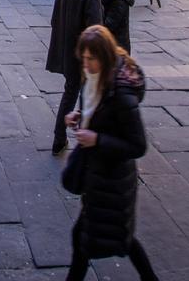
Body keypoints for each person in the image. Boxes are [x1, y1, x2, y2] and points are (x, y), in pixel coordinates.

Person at [63, 25, 154, 281]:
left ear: (104, 56)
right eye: (83, 58)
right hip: (100, 177)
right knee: (112, 237)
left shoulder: (122, 93)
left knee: (101, 240)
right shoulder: (98, 77)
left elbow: (138, 146)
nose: (86, 65)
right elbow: (101, 112)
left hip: (112, 180)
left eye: (91, 59)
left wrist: (97, 139)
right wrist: (80, 117)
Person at [46, 0, 105, 155]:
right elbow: (95, 31)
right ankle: (86, 139)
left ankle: (59, 139)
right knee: (87, 95)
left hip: (65, 51)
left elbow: (54, 21)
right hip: (83, 58)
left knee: (70, 93)